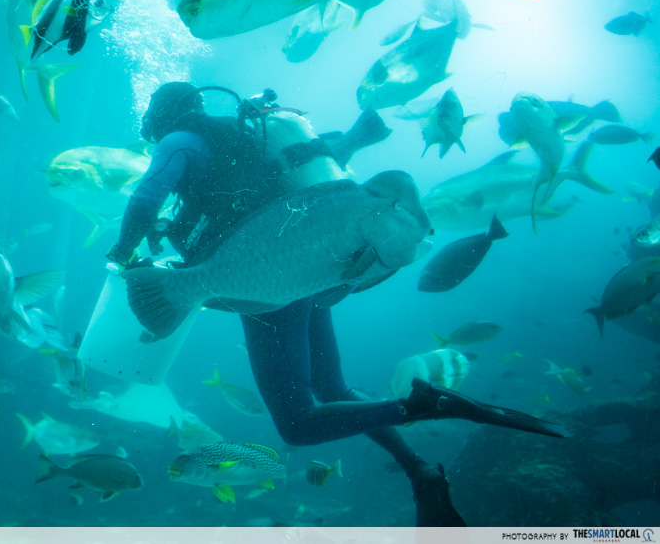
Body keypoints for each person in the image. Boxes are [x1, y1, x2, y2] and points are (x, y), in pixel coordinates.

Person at [107, 82, 569, 527]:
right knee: (333, 388)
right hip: (307, 264)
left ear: (163, 114)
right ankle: (419, 471)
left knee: (297, 425)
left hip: (267, 280)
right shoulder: (243, 137)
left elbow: (147, 195)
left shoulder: (181, 140)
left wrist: (121, 252)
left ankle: (426, 405)